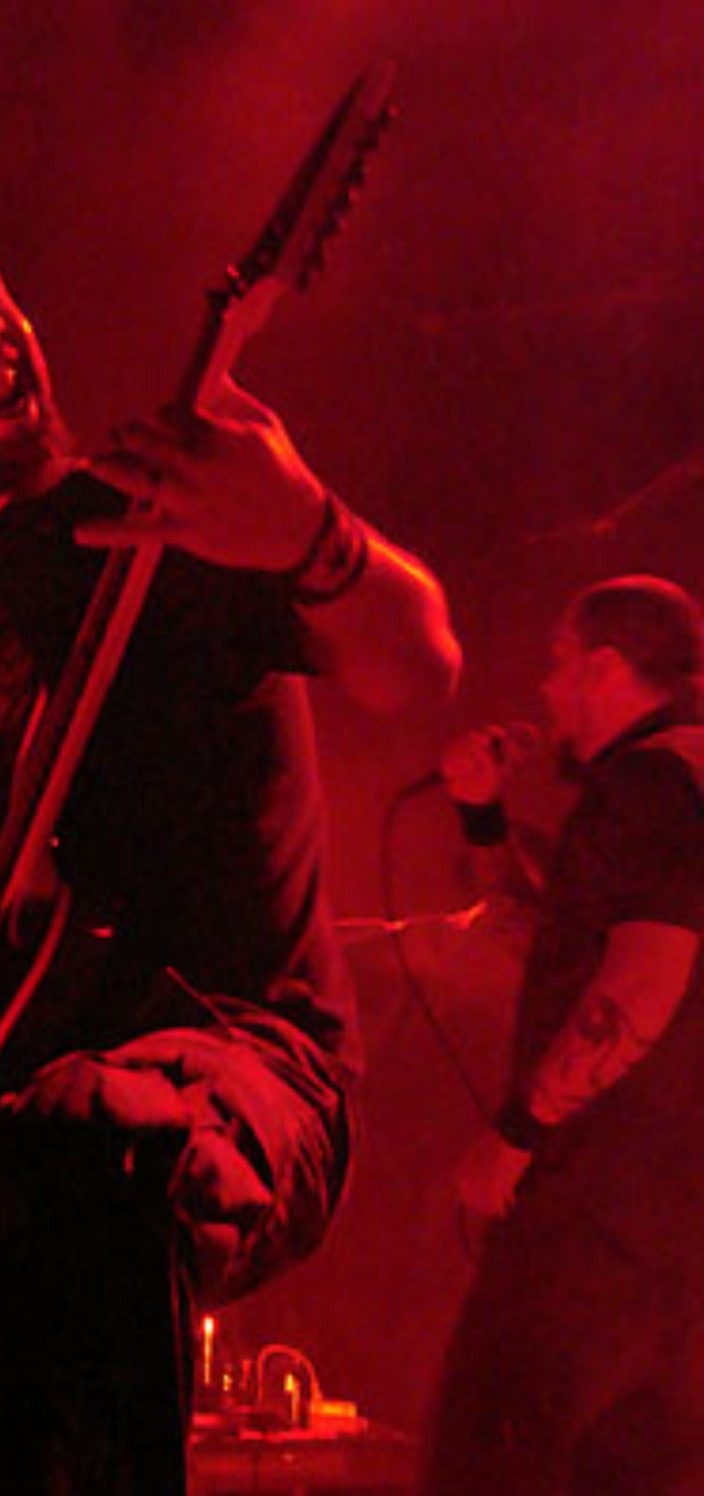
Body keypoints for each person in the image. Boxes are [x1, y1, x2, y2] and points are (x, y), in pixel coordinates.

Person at [0, 204, 460, 1493]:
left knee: (87, 1135)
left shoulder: (179, 514)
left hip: (240, 1062)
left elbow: (418, 662)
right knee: (49, 1168)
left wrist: (307, 532)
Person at [424, 575, 704, 1496]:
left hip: (595, 1218)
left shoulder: (647, 785)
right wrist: (484, 817)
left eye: (559, 663)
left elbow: (642, 983)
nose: (544, 688)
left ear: (607, 669)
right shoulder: (684, 782)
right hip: (678, 1245)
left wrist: (517, 1134)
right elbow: (564, 946)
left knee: (485, 1463)